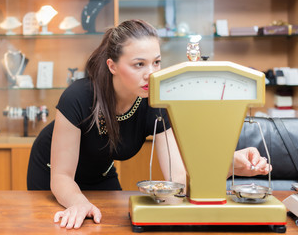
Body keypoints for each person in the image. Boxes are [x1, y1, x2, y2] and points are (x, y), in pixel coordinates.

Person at [27, 19, 271, 229]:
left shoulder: (155, 102)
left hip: (101, 175)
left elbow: (177, 180)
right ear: (112, 66)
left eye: (156, 62)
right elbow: (62, 177)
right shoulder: (78, 97)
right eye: (139, 64)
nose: (151, 73)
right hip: (53, 173)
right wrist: (78, 202)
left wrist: (226, 165)